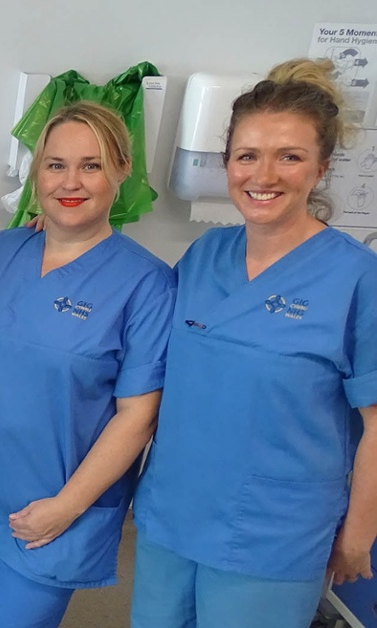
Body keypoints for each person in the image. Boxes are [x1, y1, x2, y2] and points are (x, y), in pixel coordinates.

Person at [131, 58, 377, 627]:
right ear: (226, 165)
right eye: (247, 156)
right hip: (174, 512)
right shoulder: (203, 257)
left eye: (289, 156)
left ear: (321, 168)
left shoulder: (357, 280)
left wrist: (360, 532)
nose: (263, 175)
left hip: (273, 533)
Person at [0, 101, 174, 628]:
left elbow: (139, 416)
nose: (72, 181)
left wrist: (67, 506)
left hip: (57, 506)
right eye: (56, 164)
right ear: (36, 172)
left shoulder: (146, 284)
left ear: (120, 171)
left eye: (91, 165)